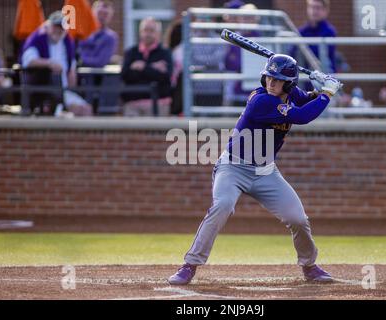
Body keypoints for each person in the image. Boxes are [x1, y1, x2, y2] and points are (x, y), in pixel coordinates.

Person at [168, 54, 342, 285]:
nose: (271, 83)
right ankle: (189, 265)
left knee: (298, 219)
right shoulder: (261, 101)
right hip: (233, 167)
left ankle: (309, 266)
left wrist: (317, 89)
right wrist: (327, 93)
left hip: (265, 171)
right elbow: (303, 116)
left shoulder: (291, 94)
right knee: (222, 206)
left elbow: (304, 100)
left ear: (288, 83)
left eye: (277, 79)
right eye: (269, 77)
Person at [21, 11, 93, 116]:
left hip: (63, 91)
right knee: (74, 110)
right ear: (49, 25)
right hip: (44, 92)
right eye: (56, 26)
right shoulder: (38, 38)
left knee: (86, 109)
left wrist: (72, 77)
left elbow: (71, 70)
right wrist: (50, 64)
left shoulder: (67, 41)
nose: (58, 30)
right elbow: (28, 61)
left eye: (62, 27)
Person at [121, 18, 173, 116]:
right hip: (133, 103)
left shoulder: (165, 53)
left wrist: (143, 67)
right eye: (145, 30)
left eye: (152, 30)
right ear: (140, 32)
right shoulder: (131, 52)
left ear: (158, 33)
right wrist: (153, 69)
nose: (148, 34)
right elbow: (125, 76)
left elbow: (165, 77)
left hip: (159, 103)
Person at [290, 0, 337, 74]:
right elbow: (292, 52)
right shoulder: (302, 31)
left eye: (317, 8)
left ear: (325, 10)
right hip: (306, 77)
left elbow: (319, 54)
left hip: (324, 76)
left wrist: (303, 47)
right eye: (311, 7)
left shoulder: (329, 31)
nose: (314, 11)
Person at [77, 0, 118, 68]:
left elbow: (100, 62)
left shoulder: (110, 37)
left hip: (94, 77)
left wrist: (79, 60)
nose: (101, 18)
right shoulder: (80, 32)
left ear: (110, 17)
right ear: (92, 12)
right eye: (99, 13)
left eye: (105, 14)